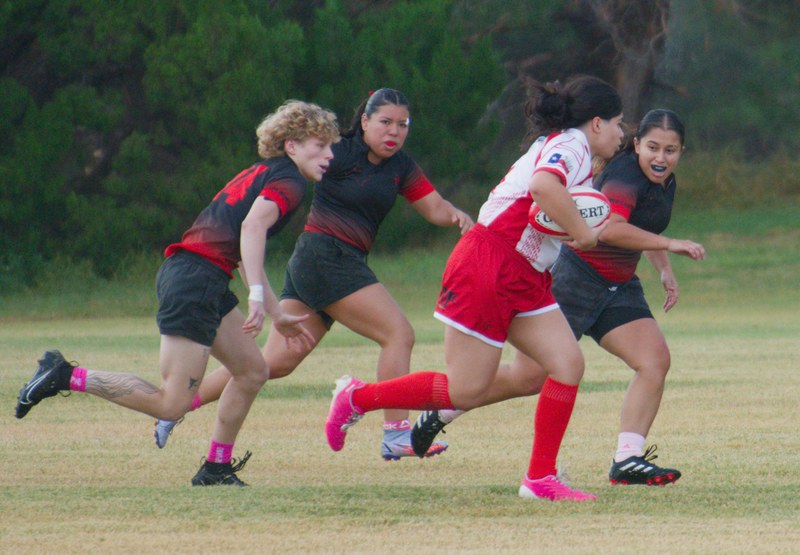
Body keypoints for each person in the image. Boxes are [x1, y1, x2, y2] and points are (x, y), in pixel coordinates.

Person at [325, 75, 625, 501]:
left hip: (524, 272)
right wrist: (582, 233)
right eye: (618, 123)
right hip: (491, 264)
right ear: (596, 123)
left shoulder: (570, 149)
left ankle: (540, 479)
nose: (621, 133)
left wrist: (576, 227)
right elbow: (543, 186)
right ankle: (358, 396)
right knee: (466, 388)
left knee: (560, 366)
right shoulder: (573, 144)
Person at [14, 100, 340, 486]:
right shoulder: (290, 182)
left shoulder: (266, 172)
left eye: (331, 146)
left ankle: (216, 468)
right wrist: (256, 296)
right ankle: (65, 375)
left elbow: (241, 249)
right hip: (195, 281)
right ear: (291, 145)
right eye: (320, 145)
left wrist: (275, 311)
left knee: (253, 371)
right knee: (172, 403)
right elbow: (251, 230)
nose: (329, 155)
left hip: (200, 277)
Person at [153, 88, 473, 460]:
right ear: (364, 121)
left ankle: (179, 407)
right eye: (385, 122)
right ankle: (396, 434)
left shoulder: (401, 166)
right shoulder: (340, 152)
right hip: (326, 257)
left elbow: (434, 208)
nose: (395, 131)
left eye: (403, 125)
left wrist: (459, 217)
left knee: (271, 364)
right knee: (398, 334)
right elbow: (299, 161)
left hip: (323, 263)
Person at [411, 108, 706, 487]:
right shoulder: (624, 177)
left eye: (671, 150)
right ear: (636, 145)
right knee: (528, 378)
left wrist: (663, 267)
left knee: (654, 361)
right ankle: (444, 409)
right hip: (575, 279)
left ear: (681, 151)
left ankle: (627, 459)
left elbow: (643, 223)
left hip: (617, 286)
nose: (661, 158)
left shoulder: (664, 181)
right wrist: (669, 244)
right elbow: (611, 229)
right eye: (653, 148)